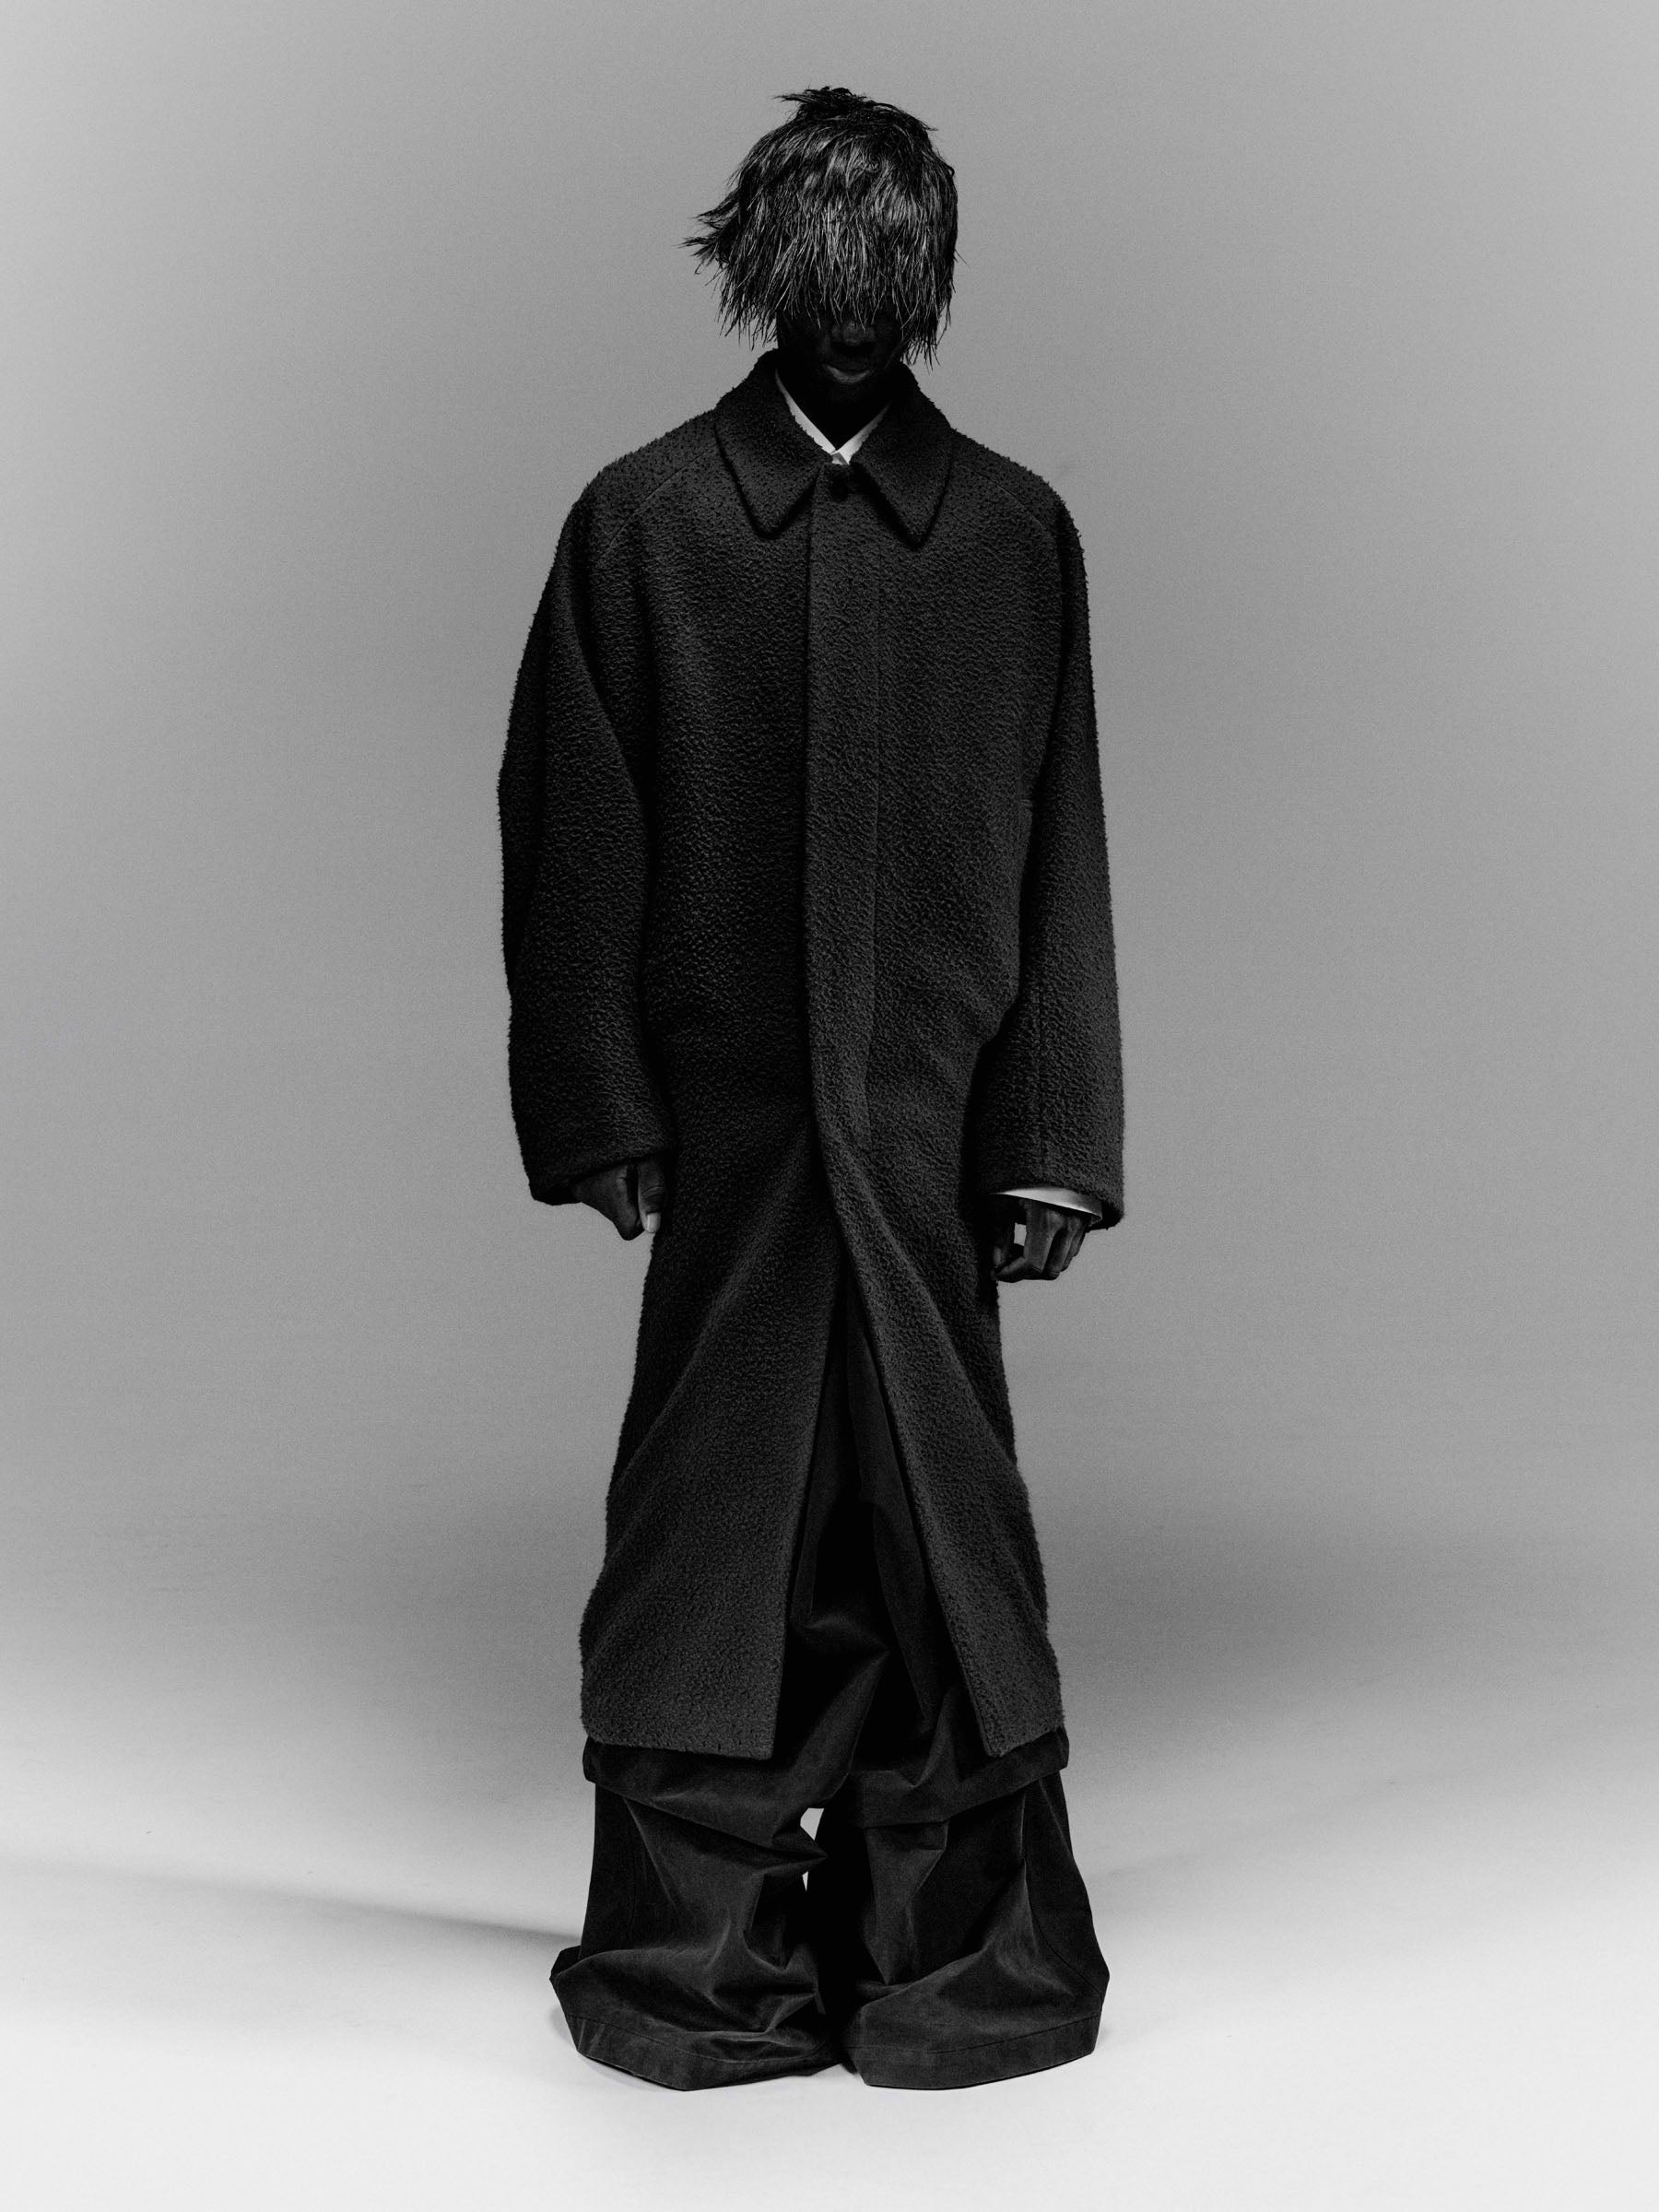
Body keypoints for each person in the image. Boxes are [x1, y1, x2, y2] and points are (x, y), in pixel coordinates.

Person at [498, 86, 1124, 2091]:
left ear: (923, 283)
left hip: (932, 1142)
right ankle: (702, 1962)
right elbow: (571, 826)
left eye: (888, 282)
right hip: (740, 1142)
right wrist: (601, 1103)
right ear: (767, 275)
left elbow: (1059, 846)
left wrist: (1052, 1141)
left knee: (939, 1538)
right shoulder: (646, 525)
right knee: (717, 1532)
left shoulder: (1012, 535)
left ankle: (951, 1952)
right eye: (822, 280)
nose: (853, 322)